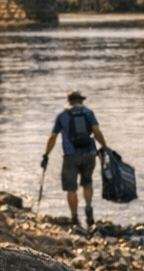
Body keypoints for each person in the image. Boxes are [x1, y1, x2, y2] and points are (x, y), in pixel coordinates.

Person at [41, 90, 106, 228]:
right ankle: (89, 210)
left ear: (69, 101)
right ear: (81, 101)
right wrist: (105, 147)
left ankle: (75, 218)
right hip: (89, 153)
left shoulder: (62, 115)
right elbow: (97, 132)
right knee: (87, 183)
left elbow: (52, 137)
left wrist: (46, 155)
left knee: (71, 188)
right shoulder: (88, 113)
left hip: (70, 156)